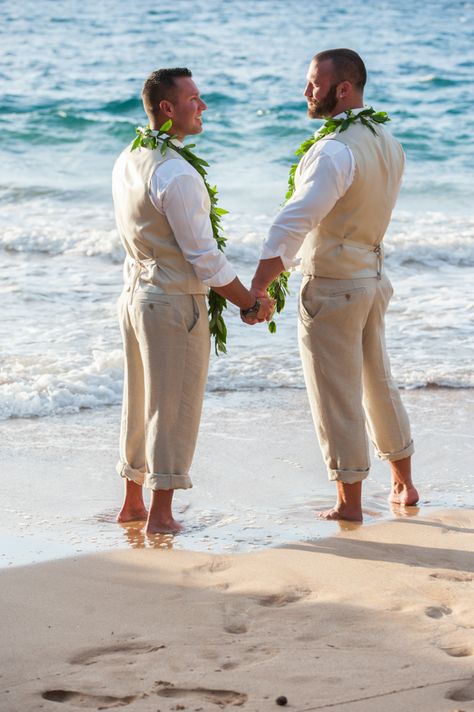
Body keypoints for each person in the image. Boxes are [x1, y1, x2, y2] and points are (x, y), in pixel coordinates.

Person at [245, 49, 418, 521]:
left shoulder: (333, 149)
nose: (306, 92)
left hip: (334, 285)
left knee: (335, 393)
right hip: (372, 278)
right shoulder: (386, 138)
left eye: (314, 84)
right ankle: (404, 482)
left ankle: (349, 504)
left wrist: (260, 282)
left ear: (344, 89)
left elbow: (295, 220)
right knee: (377, 381)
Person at [112, 68, 273, 534]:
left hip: (135, 295)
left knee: (140, 399)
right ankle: (161, 515)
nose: (202, 107)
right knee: (174, 405)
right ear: (168, 108)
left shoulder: (131, 156)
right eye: (194, 99)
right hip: (171, 302)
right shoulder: (176, 174)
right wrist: (248, 301)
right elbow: (205, 260)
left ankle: (132, 503)